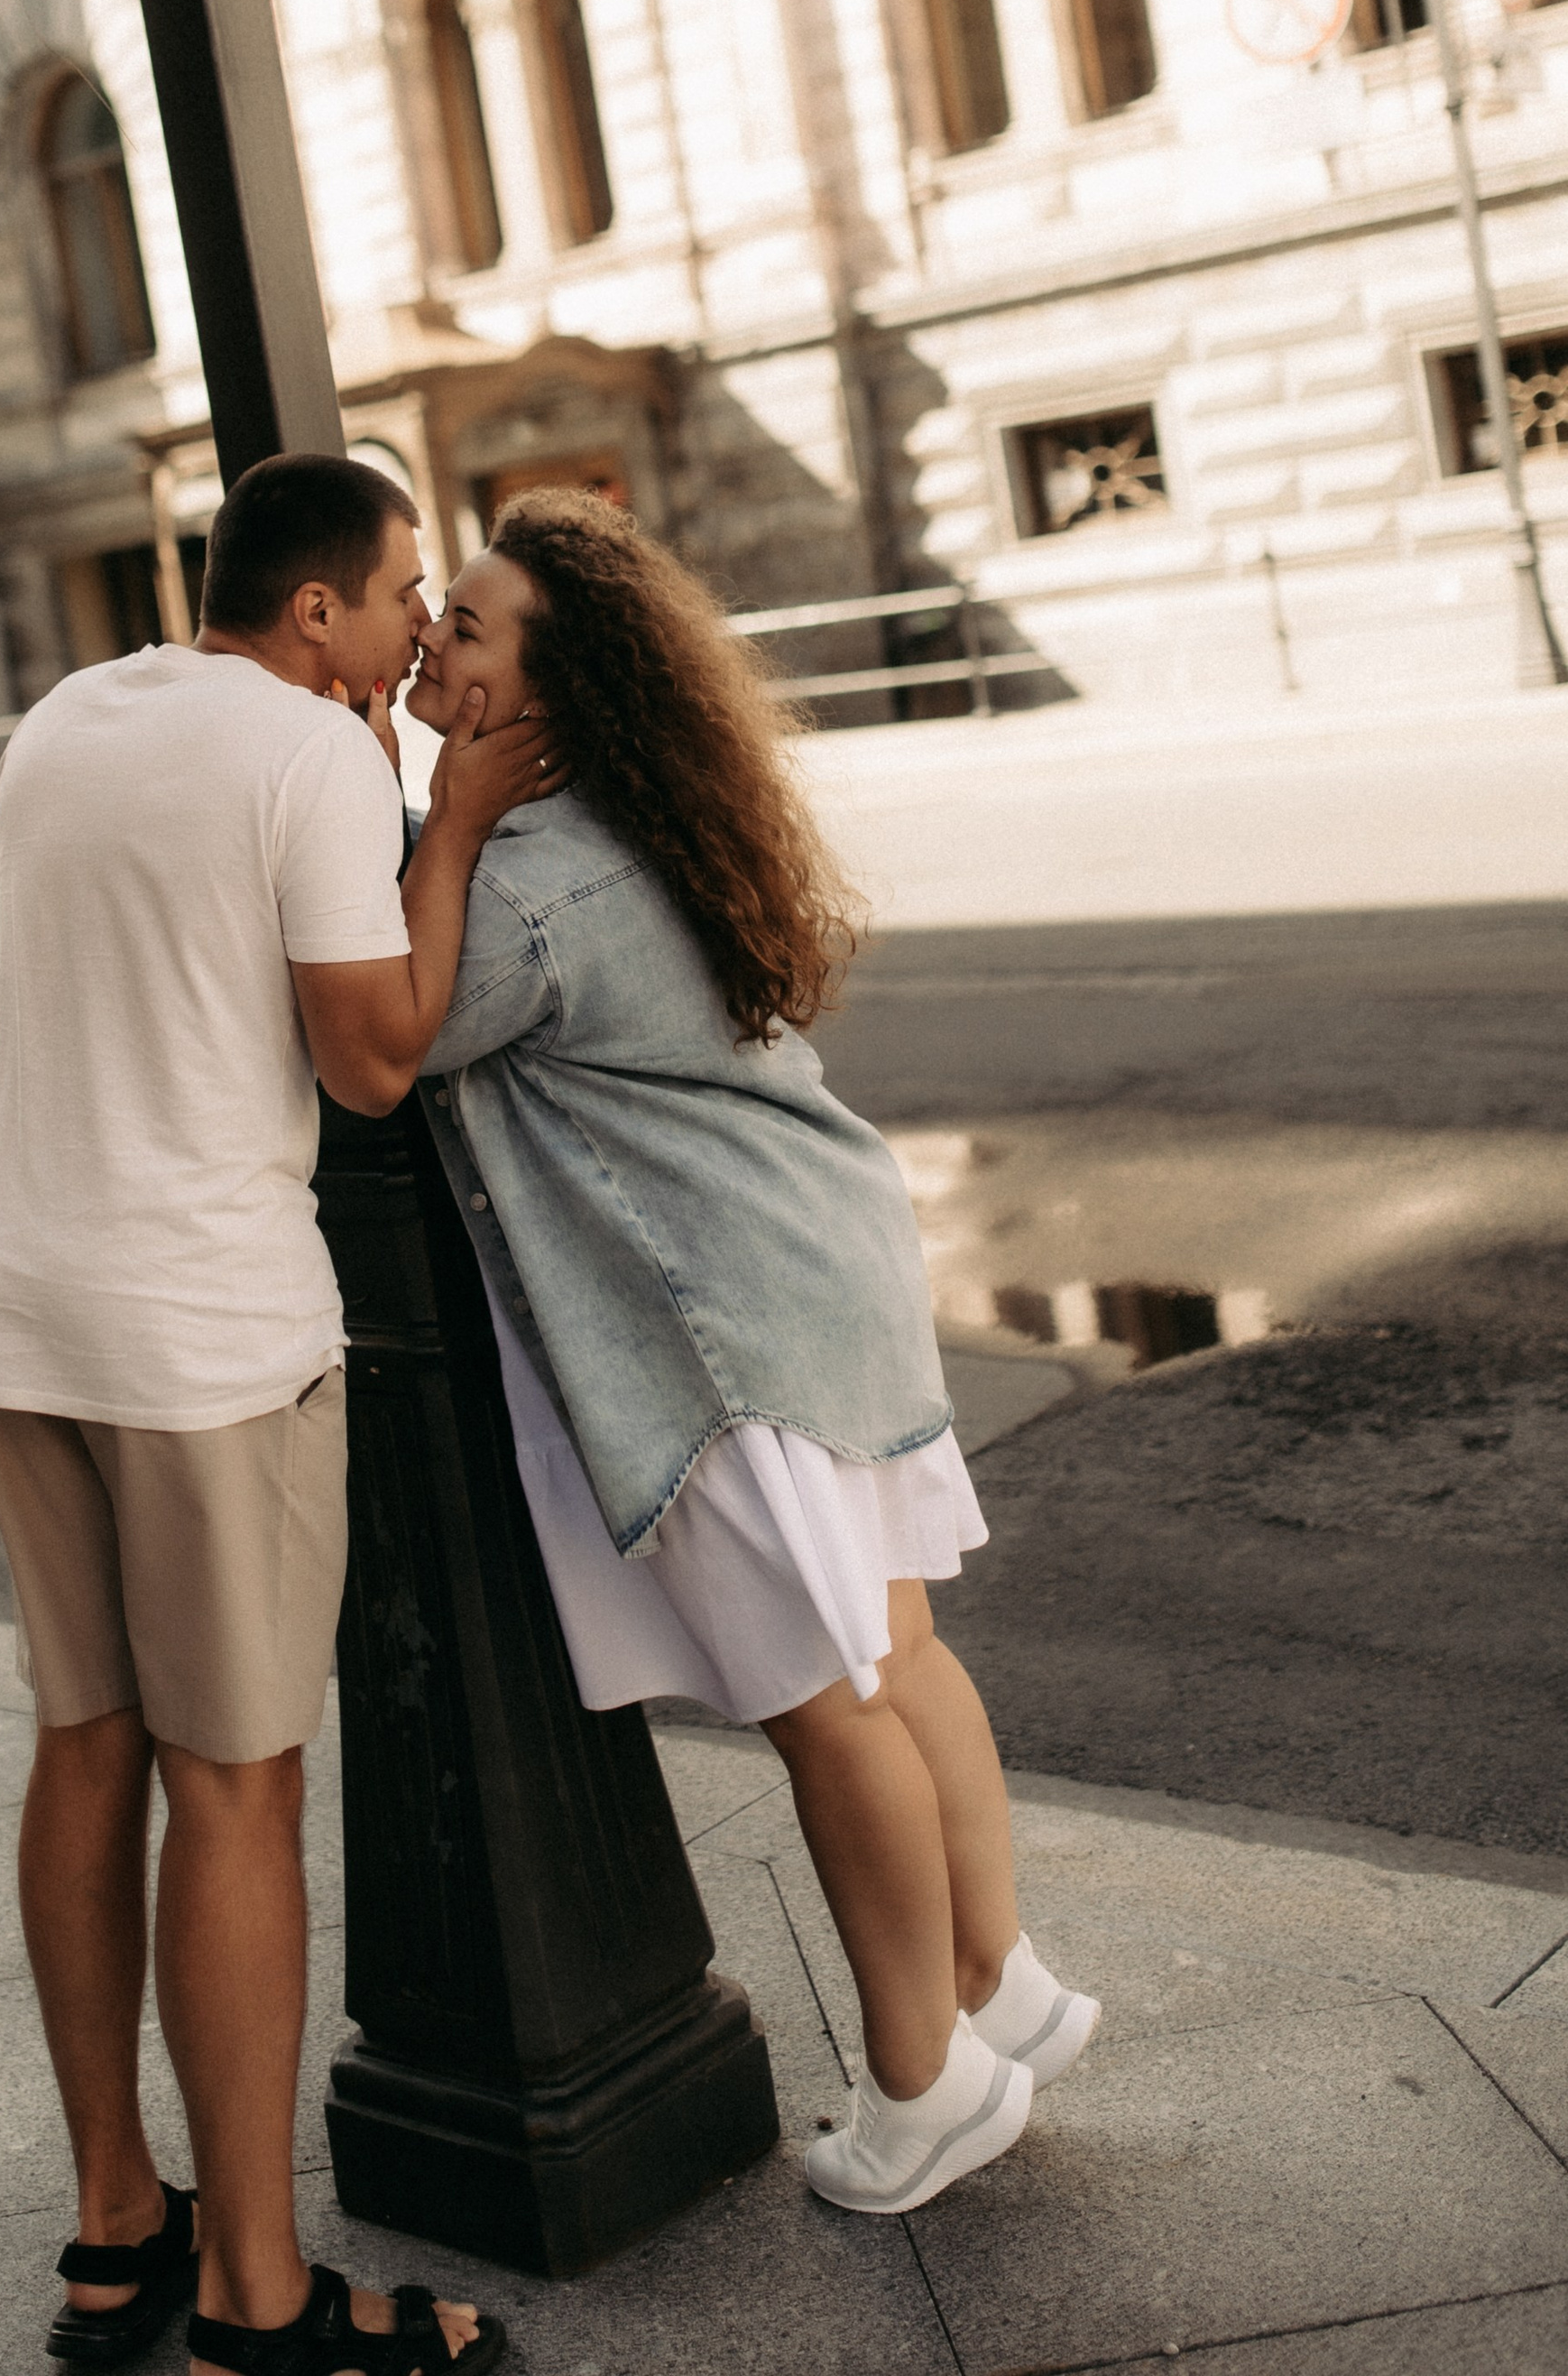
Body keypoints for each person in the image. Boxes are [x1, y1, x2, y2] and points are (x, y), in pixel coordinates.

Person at [401, 487, 1099, 2218]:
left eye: (466, 626)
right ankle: (996, 1983)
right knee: (898, 1657)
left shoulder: (528, 888)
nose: (429, 639)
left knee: (830, 1707)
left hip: (725, 1329)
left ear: (551, 696)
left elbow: (391, 1040)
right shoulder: (643, 817)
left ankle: (925, 2086)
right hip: (819, 1272)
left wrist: (449, 819)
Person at [0, 452, 552, 2376]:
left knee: (84, 1745)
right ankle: (260, 2305)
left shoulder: (67, 717)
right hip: (200, 1340)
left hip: (16, 1305)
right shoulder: (311, 756)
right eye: (400, 597)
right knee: (235, 1787)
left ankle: (118, 2228)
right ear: (316, 610)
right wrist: (452, 823)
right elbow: (371, 1060)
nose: (413, 631)